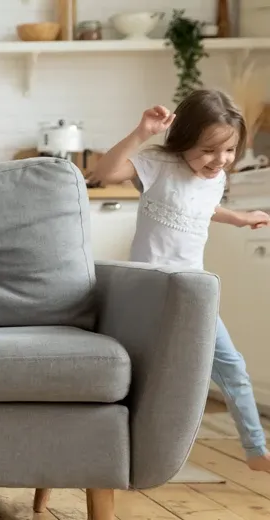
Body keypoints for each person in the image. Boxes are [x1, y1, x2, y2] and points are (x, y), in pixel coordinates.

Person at [85, 88, 270, 471]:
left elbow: (202, 206)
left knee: (232, 366)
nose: (220, 160)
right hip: (151, 290)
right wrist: (142, 131)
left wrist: (237, 217)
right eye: (208, 151)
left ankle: (256, 449)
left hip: (194, 291)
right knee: (144, 372)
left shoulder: (215, 178)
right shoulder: (157, 165)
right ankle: (116, 446)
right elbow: (104, 174)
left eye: (229, 151)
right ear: (183, 140)